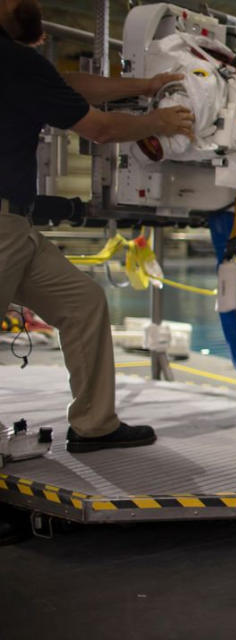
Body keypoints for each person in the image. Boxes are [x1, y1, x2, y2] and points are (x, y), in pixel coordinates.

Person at [0, 0, 194, 458]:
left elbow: (67, 84)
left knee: (83, 302)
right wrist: (156, 121)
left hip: (16, 224)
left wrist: (144, 85)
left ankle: (94, 426)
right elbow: (101, 129)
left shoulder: (17, 64)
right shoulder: (11, 60)